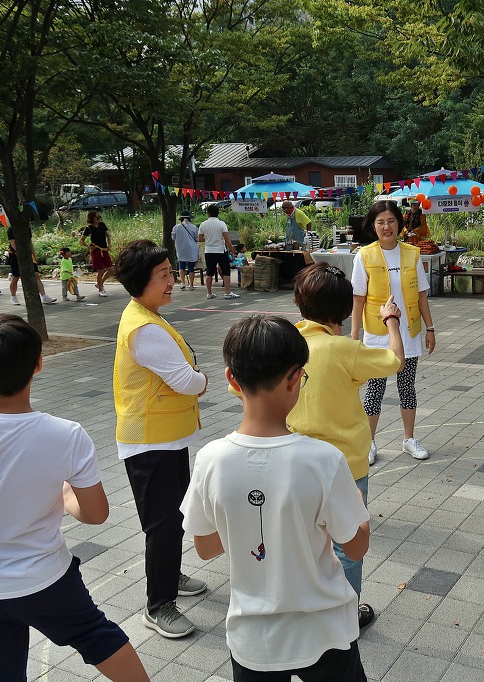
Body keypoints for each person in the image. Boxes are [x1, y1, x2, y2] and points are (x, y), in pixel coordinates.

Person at [0, 314, 149, 682]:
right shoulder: (67, 435)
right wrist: (66, 494)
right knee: (96, 635)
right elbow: (95, 514)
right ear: (38, 364)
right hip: (46, 579)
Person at [181, 315, 370, 681]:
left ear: (231, 379)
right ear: (295, 378)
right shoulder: (324, 460)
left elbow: (205, 547)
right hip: (325, 629)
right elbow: (356, 547)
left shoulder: (210, 460)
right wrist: (359, 512)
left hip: (255, 638)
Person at [289, 263, 404, 629]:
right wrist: (391, 321)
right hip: (346, 466)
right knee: (348, 543)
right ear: (342, 310)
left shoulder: (285, 342)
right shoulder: (344, 349)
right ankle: (346, 614)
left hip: (294, 463)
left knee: (305, 540)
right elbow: (395, 360)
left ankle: (309, 606)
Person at [112, 239, 209, 639]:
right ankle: (158, 605)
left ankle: (169, 573)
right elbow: (186, 381)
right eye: (164, 275)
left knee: (173, 518)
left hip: (164, 438)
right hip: (149, 443)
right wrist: (202, 380)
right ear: (142, 281)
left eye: (171, 272)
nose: (173, 281)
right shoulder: (145, 328)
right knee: (162, 523)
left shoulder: (146, 314)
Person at [351, 200, 436, 462]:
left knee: (407, 387)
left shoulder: (412, 253)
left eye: (391, 221)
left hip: (409, 332)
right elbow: (358, 299)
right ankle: (369, 442)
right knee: (375, 389)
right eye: (380, 222)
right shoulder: (364, 256)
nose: (386, 227)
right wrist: (354, 336)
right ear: (373, 226)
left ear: (399, 223)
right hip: (377, 335)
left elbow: (421, 295)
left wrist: (430, 328)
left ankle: (409, 439)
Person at [7, 224, 57, 306]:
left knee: (36, 275)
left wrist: (33, 256)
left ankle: (44, 297)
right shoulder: (11, 229)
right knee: (16, 277)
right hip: (15, 256)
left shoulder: (27, 228)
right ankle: (13, 297)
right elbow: (13, 244)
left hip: (28, 254)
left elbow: (29, 242)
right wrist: (21, 254)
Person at [198, 205, 238, 300]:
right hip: (220, 250)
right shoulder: (221, 224)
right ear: (217, 213)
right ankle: (227, 292)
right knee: (226, 271)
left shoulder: (203, 224)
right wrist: (232, 250)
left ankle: (209, 293)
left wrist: (208, 239)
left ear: (208, 213)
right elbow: (227, 239)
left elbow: (200, 239)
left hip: (209, 251)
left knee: (209, 272)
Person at [80, 210, 115, 297]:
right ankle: (101, 289)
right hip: (96, 250)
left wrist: (109, 245)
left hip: (104, 249)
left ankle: (100, 283)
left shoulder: (102, 225)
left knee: (110, 269)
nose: (98, 219)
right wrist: (89, 247)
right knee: (100, 270)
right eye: (97, 217)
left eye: (99, 217)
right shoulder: (89, 228)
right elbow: (82, 240)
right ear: (92, 218)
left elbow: (108, 235)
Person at [171, 209, 199, 291]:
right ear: (189, 218)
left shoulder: (176, 227)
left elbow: (173, 238)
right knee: (191, 268)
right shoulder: (194, 227)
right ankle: (191, 285)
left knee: (181, 267)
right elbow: (197, 238)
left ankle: (183, 283)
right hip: (192, 250)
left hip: (181, 249)